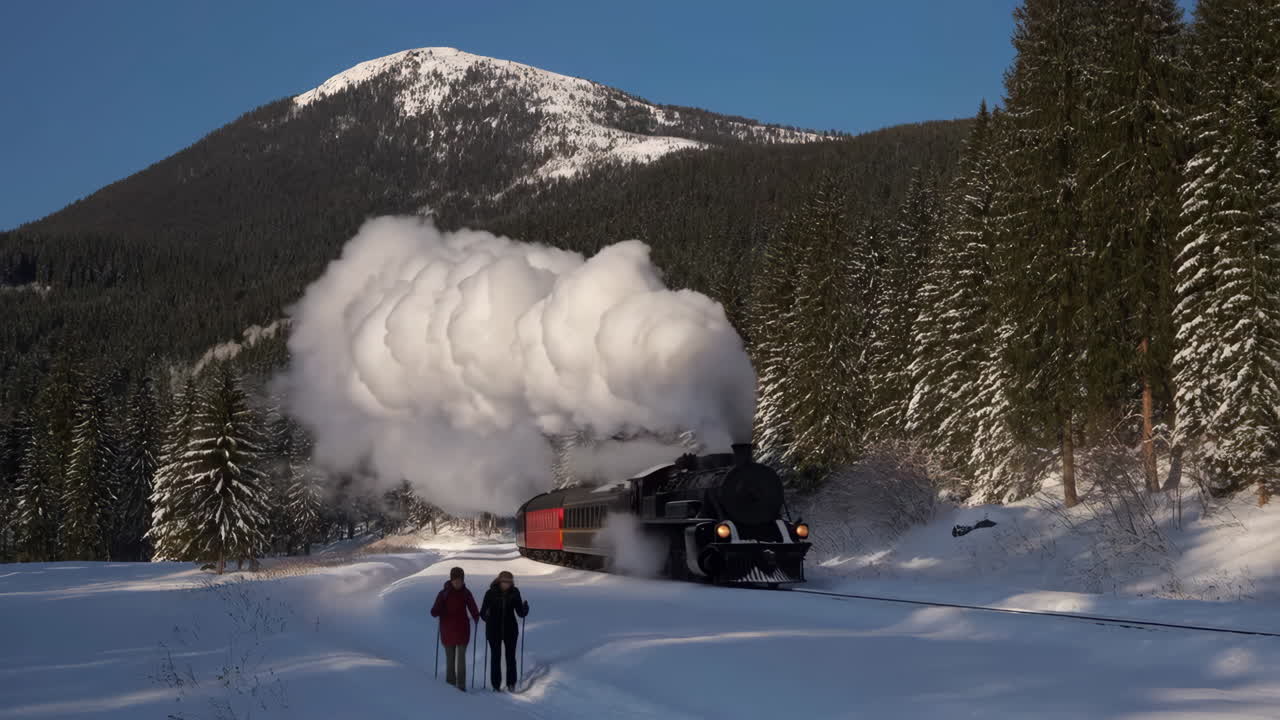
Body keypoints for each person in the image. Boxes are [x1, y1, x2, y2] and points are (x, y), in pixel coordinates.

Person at [430, 566, 480, 691]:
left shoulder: (466, 593)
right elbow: (434, 610)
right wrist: (437, 611)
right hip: (447, 631)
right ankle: (450, 686)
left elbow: (473, 607)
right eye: (455, 580)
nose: (458, 583)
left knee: (461, 661)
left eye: (460, 580)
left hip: (463, 630)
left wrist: (477, 617)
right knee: (450, 661)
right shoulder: (444, 594)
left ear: (463, 580)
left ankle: (461, 686)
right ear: (451, 580)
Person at [480, 570, 529, 691]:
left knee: (510, 657)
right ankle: (496, 685)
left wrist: (524, 609)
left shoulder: (515, 592)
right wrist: (486, 615)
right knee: (495, 657)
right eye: (504, 582)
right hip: (493, 630)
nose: (507, 584)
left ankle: (511, 683)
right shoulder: (490, 593)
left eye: (509, 582)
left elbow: (519, 612)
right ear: (499, 581)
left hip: (510, 630)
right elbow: (482, 613)